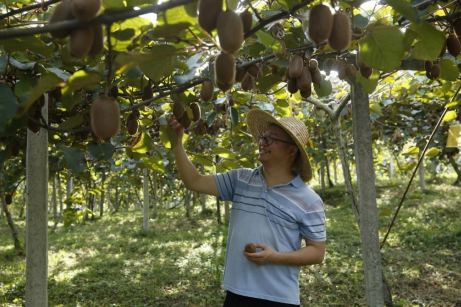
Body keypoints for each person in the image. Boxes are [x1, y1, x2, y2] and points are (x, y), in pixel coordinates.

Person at [168, 109, 326, 307]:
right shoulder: (241, 179)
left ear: (291, 150)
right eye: (263, 137)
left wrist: (275, 257)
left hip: (278, 298)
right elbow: (194, 181)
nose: (263, 142)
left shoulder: (308, 200)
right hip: (236, 293)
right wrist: (177, 143)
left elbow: (317, 252)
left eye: (272, 139)